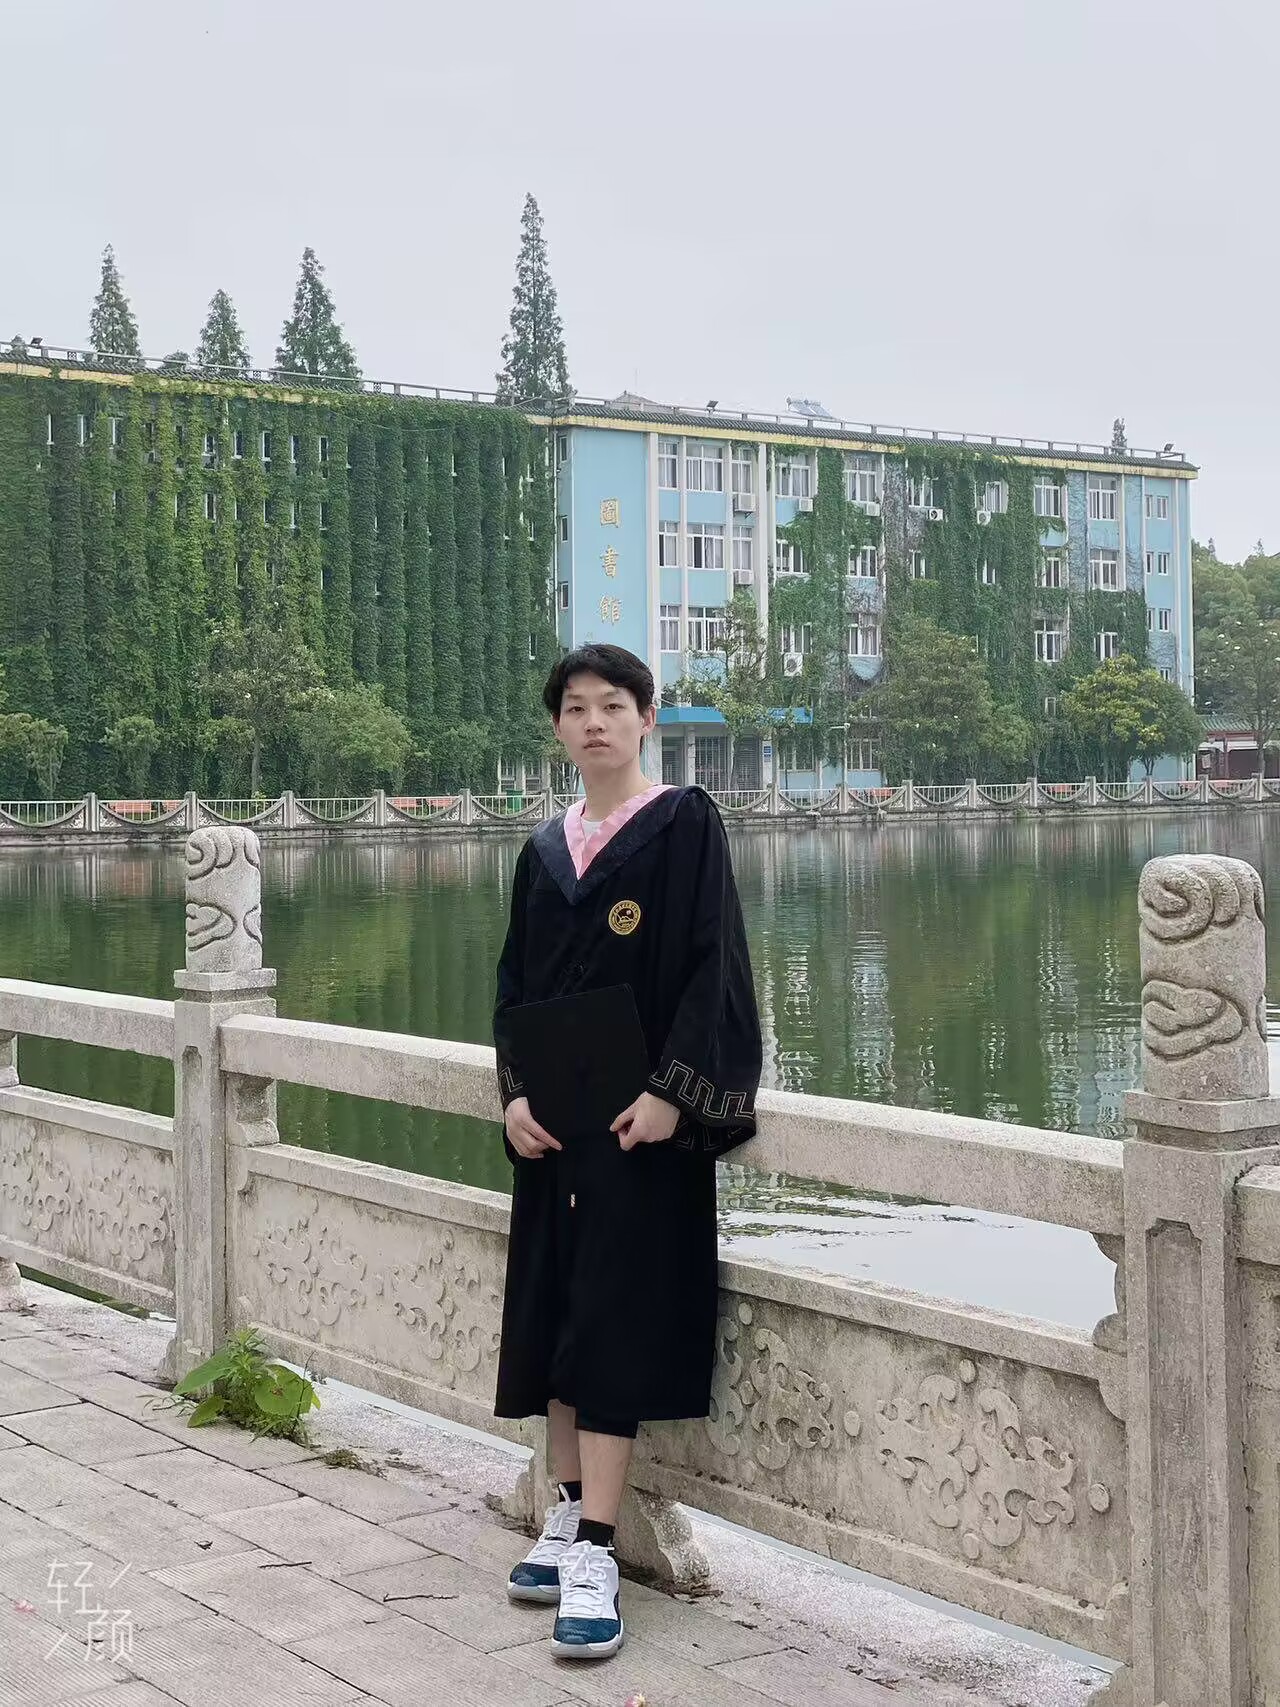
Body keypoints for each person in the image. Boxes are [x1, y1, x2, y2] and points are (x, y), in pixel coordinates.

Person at [492, 641, 762, 1662]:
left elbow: (713, 969)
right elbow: (514, 990)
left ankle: (598, 1551)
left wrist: (671, 1094)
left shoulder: (684, 824)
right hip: (556, 1132)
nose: (594, 721)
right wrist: (513, 1096)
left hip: (640, 1133)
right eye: (575, 707)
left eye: (612, 704)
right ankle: (565, 1515)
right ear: (558, 728)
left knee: (608, 1325)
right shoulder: (543, 852)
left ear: (647, 718)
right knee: (553, 1318)